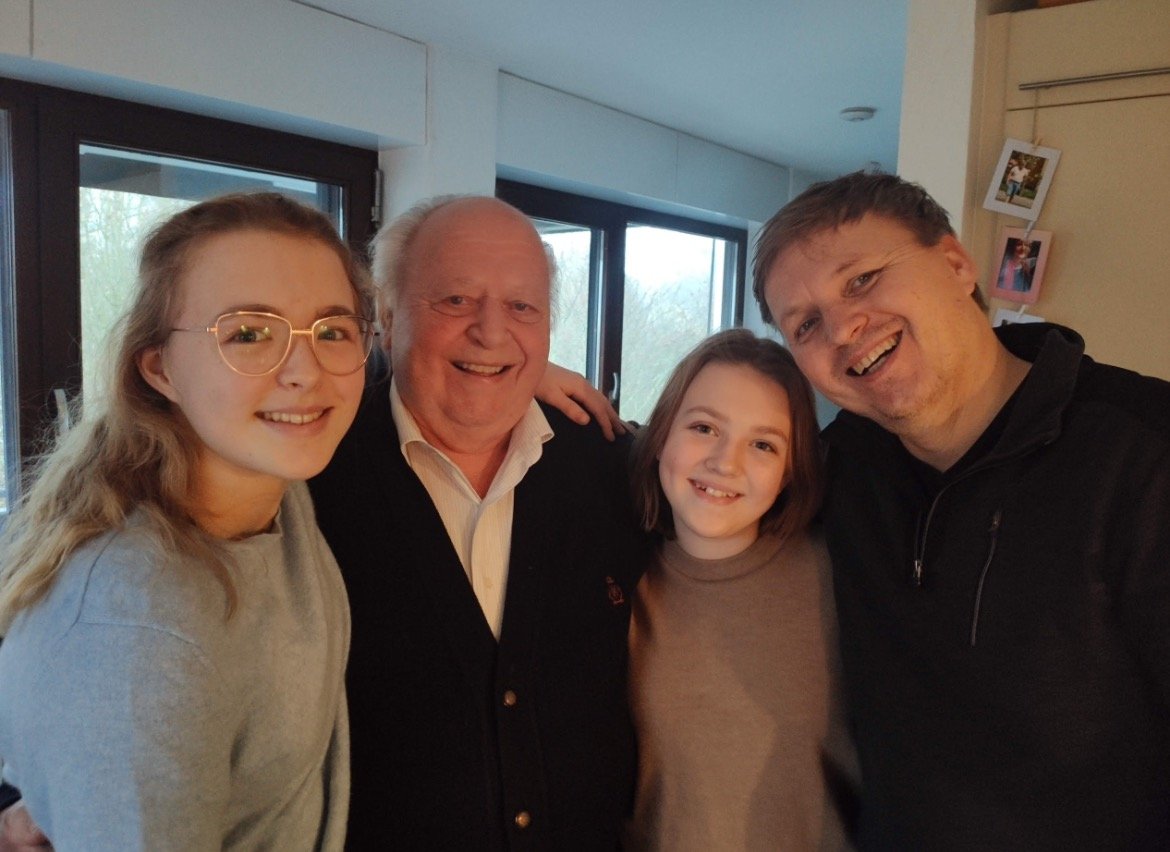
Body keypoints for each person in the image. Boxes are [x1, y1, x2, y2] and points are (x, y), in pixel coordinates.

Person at [753, 170, 1170, 849]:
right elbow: (690, 493)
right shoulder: (836, 469)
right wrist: (555, 404)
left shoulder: (1145, 453)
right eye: (805, 325)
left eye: (862, 280)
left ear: (954, 264)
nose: (843, 328)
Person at [0, 193, 373, 849]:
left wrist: (513, 377)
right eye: (249, 334)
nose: (305, 372)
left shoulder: (276, 486)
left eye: (331, 331)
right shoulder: (139, 629)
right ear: (160, 367)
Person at [308, 195, 648, 848]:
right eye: (456, 300)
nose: (492, 332)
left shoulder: (615, 469)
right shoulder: (312, 478)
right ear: (386, 319)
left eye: (523, 307)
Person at [623, 329, 857, 851]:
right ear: (661, 436)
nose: (725, 463)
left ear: (789, 471)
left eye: (763, 445)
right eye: (704, 427)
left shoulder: (836, 573)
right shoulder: (618, 584)